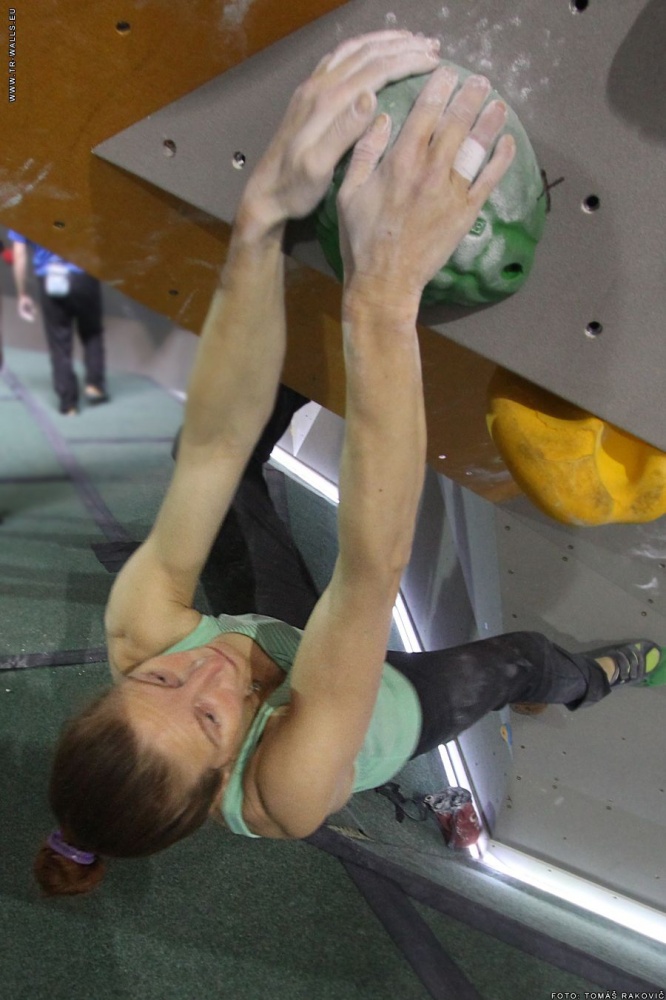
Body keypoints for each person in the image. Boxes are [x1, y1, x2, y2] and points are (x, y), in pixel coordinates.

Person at [33, 30, 663, 896]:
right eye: (208, 717)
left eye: (161, 676)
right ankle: (598, 678)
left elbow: (214, 444)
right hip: (378, 708)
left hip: (285, 633)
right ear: (222, 779)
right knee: (517, 658)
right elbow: (369, 573)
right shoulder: (287, 789)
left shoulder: (142, 629)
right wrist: (384, 295)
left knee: (216, 460)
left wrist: (262, 218)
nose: (208, 668)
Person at [8, 229, 108, 414]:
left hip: (49, 277)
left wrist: (22, 293)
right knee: (92, 332)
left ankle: (68, 404)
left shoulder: (23, 212)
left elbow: (19, 253)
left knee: (59, 341)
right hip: (84, 275)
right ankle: (95, 385)